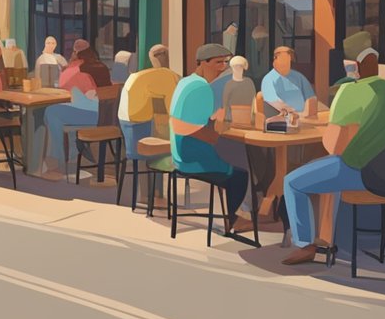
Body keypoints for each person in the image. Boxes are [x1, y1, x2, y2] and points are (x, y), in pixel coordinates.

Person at [281, 51, 385, 264]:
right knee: (330, 169)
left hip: (369, 174)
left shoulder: (349, 91)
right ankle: (330, 237)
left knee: (292, 181)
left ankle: (305, 245)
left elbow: (334, 145)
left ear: (355, 67)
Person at [168, 43, 255, 234]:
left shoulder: (187, 82)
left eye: (225, 62)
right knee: (242, 172)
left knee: (235, 157)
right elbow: (183, 126)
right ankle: (234, 221)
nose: (223, 67)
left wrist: (215, 119)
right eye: (217, 62)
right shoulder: (200, 88)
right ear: (202, 63)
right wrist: (217, 132)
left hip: (179, 152)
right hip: (190, 155)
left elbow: (190, 119)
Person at [42, 41, 103, 179]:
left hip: (92, 114)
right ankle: (71, 154)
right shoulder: (101, 67)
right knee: (55, 113)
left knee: (51, 113)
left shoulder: (75, 70)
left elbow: (82, 96)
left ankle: (57, 163)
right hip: (105, 114)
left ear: (76, 55)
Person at [118, 44, 180, 152]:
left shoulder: (140, 75)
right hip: (141, 129)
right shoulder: (167, 75)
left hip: (125, 126)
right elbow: (173, 111)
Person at [260, 46, 317, 117]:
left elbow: (311, 98)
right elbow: (273, 101)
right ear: (275, 60)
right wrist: (293, 112)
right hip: (280, 120)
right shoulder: (268, 79)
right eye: (284, 58)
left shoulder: (299, 77)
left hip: (304, 118)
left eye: (289, 58)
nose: (286, 62)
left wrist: (308, 113)